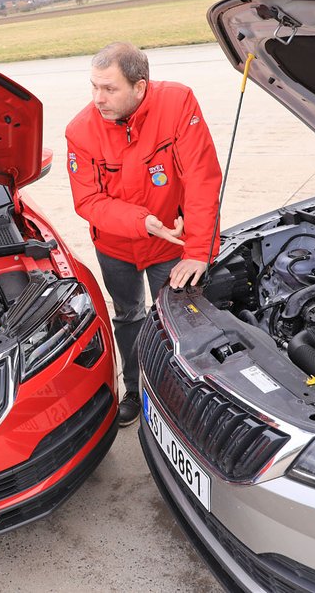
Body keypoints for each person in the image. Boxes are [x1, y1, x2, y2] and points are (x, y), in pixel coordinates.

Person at [66, 42, 222, 427]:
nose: (98, 99)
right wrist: (140, 221)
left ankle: (186, 395)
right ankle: (134, 388)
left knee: (182, 320)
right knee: (129, 316)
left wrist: (198, 251)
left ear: (140, 86)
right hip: (116, 246)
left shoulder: (178, 103)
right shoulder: (80, 130)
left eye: (109, 89)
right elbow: (87, 200)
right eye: (94, 87)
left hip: (170, 244)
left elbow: (201, 178)